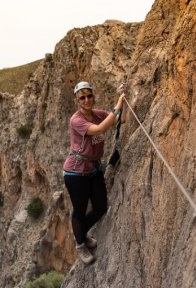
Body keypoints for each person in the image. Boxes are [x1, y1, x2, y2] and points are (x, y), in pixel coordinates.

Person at [63, 81, 127, 264]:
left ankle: (81, 234)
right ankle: (80, 244)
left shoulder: (98, 114)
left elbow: (121, 119)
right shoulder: (76, 120)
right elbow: (99, 130)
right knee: (80, 211)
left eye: (89, 95)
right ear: (77, 100)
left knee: (100, 207)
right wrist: (117, 105)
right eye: (82, 97)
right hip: (76, 173)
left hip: (93, 169)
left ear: (93, 95)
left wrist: (123, 102)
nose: (86, 100)